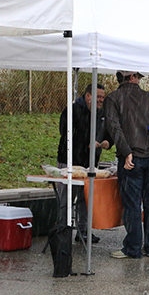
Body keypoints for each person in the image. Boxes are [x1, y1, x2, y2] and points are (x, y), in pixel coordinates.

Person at [103, 71, 149, 259]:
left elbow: (114, 128)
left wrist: (126, 151)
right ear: (132, 77)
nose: (138, 81)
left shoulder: (113, 98)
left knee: (132, 205)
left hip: (131, 159)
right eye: (138, 77)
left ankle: (133, 248)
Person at [56, 83, 113, 244]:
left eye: (102, 97)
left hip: (90, 163)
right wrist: (85, 143)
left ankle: (83, 231)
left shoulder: (102, 113)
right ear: (88, 96)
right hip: (70, 161)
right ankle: (62, 230)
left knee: (85, 199)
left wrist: (108, 142)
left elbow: (107, 132)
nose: (101, 100)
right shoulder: (72, 110)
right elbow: (65, 132)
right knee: (66, 198)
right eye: (98, 97)